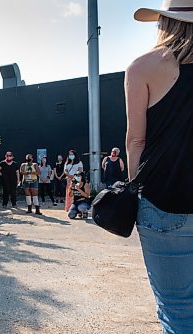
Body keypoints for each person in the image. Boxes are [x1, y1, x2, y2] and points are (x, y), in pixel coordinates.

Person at [126, 3, 193, 332]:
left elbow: (135, 142)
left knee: (178, 310)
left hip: (163, 201)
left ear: (165, 20)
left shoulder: (143, 67)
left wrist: (133, 195)